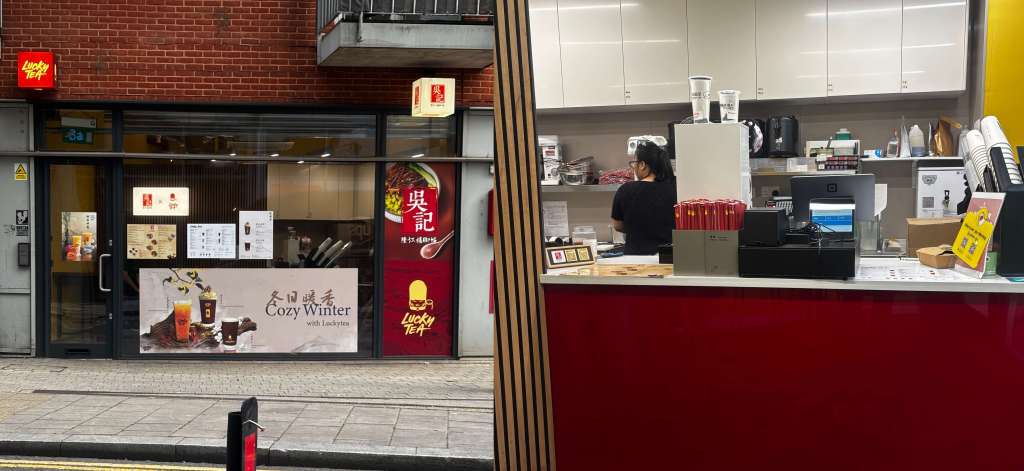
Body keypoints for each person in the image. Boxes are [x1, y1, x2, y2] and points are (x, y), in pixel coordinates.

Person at [611, 140, 676, 255]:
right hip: (668, 256)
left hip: (635, 257)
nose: (633, 167)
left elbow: (617, 226)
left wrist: (637, 228)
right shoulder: (676, 188)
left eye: (634, 163)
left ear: (642, 165)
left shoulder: (625, 190)